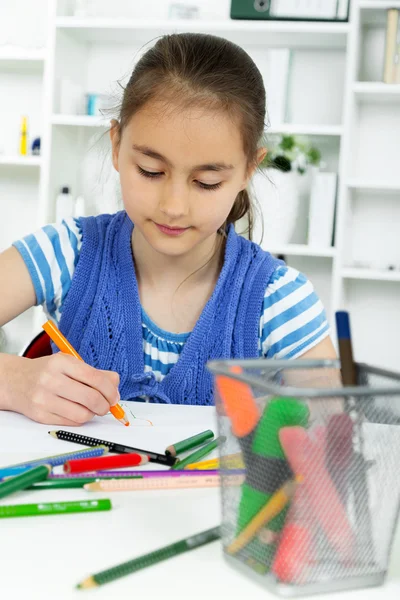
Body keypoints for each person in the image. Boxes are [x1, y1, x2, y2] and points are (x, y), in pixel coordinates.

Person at [0, 33, 335, 426]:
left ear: (248, 169)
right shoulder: (66, 252)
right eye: (151, 171)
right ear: (116, 144)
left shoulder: (279, 300)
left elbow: (334, 439)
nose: (173, 206)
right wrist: (13, 381)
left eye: (206, 182)